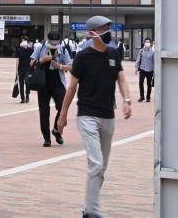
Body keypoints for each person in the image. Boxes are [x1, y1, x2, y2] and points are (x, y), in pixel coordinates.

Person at [57, 16, 133, 218]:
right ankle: (92, 212)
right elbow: (71, 87)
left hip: (108, 116)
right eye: (103, 29)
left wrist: (127, 100)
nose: (108, 32)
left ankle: (87, 207)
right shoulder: (82, 57)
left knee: (101, 169)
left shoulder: (113, 53)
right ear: (92, 33)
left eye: (109, 28)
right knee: (96, 163)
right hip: (87, 116)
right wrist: (63, 116)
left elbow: (122, 78)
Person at [31, 31, 72, 147]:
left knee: (62, 107)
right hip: (43, 83)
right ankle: (46, 138)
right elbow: (30, 63)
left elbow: (70, 66)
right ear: (47, 39)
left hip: (58, 83)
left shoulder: (63, 49)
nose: (54, 45)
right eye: (52, 43)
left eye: (56, 43)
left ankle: (56, 130)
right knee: (44, 112)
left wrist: (60, 66)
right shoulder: (40, 47)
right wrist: (41, 60)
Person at [15, 37, 33, 103]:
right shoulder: (19, 50)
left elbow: (32, 59)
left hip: (27, 69)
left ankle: (27, 95)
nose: (23, 41)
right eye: (22, 40)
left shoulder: (30, 50)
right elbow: (17, 60)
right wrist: (16, 70)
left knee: (26, 82)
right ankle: (23, 98)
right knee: (22, 83)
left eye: (24, 40)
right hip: (21, 69)